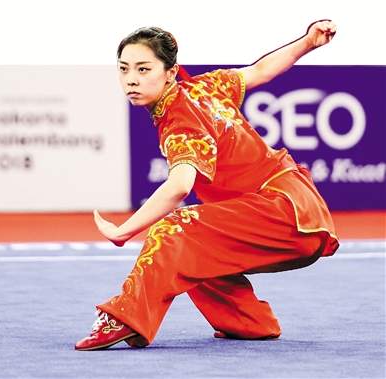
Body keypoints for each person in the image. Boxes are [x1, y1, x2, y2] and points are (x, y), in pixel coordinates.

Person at [75, 20, 339, 351]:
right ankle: (248, 322)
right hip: (295, 211)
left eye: (144, 69)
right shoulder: (207, 86)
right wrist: (308, 42)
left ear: (170, 72)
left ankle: (124, 317)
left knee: (173, 230)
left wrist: (123, 232)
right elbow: (260, 71)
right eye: (124, 69)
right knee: (196, 247)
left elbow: (179, 187)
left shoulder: (179, 118)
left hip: (283, 211)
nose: (131, 79)